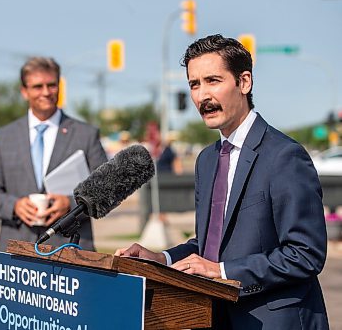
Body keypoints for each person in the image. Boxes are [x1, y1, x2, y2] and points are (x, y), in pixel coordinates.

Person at [116, 34, 329, 329]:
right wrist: (160, 259)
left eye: (213, 80)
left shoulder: (285, 156)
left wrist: (223, 271)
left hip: (274, 321)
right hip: (213, 318)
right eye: (194, 84)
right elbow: (211, 246)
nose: (203, 95)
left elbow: (305, 254)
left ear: (244, 82)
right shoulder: (206, 159)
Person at [0, 57, 107, 251]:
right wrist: (14, 206)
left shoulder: (86, 134)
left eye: (52, 85)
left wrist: (71, 204)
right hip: (17, 249)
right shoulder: (4, 136)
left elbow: (106, 189)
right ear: (24, 91)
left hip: (70, 249)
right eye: (38, 86)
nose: (46, 92)